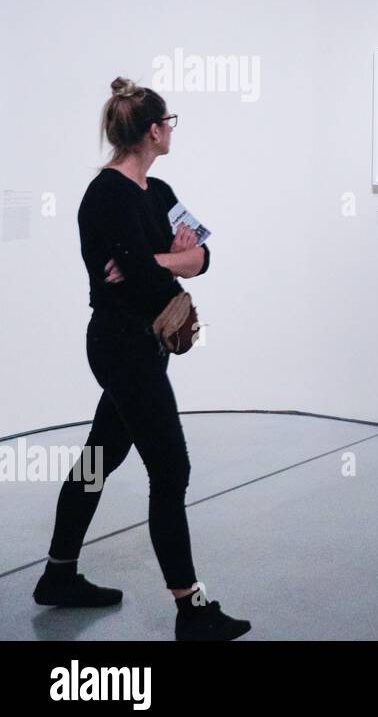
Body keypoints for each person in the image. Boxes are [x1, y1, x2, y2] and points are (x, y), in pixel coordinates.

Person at [35, 77, 250, 641]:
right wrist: (161, 260)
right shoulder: (105, 195)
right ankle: (191, 608)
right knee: (170, 469)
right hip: (119, 345)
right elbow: (139, 268)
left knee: (97, 458)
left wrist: (160, 260)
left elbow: (201, 255)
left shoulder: (158, 191)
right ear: (154, 130)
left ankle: (58, 575)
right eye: (169, 122)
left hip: (146, 345)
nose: (172, 131)